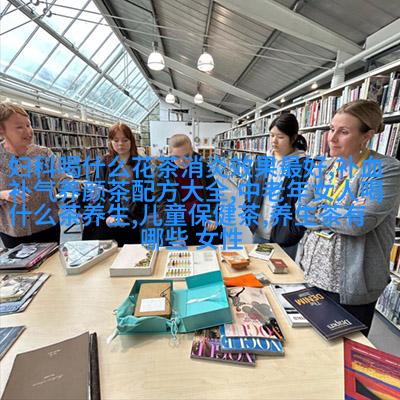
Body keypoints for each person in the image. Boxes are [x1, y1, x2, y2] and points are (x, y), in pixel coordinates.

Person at [295, 99, 400, 336]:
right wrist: (340, 209)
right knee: (311, 346)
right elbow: (300, 211)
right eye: (331, 129)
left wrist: (317, 207)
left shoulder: (385, 169)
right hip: (312, 273)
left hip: (350, 287)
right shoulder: (324, 167)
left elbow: (358, 222)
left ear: (367, 135)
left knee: (343, 351)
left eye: (343, 132)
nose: (331, 138)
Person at [0, 102, 72, 248]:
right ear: (1, 129)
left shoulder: (44, 153)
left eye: (29, 125)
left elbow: (62, 179)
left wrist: (79, 186)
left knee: (52, 262)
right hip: (13, 230)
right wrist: (3, 194)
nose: (28, 131)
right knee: (18, 263)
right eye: (20, 127)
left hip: (47, 225)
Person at [246, 113, 309, 259]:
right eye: (271, 135)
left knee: (282, 272)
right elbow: (250, 189)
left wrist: (294, 230)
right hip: (258, 231)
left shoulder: (304, 167)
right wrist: (249, 214)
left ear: (293, 138)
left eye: (280, 137)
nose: (274, 141)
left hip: (286, 237)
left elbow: (306, 203)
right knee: (258, 270)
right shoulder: (262, 161)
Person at [82, 123, 145, 247]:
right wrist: (109, 215)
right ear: (110, 142)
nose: (120, 144)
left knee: (130, 253)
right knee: (109, 254)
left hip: (132, 217)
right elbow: (98, 192)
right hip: (108, 217)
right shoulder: (104, 162)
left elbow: (144, 194)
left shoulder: (141, 163)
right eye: (116, 140)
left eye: (125, 140)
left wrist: (126, 217)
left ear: (131, 141)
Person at [154, 134, 222, 247]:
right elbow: (162, 204)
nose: (182, 161)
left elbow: (213, 193)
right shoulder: (162, 173)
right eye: (176, 157)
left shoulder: (202, 167)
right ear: (170, 154)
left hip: (203, 223)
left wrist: (212, 216)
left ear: (191, 150)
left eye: (186, 155)